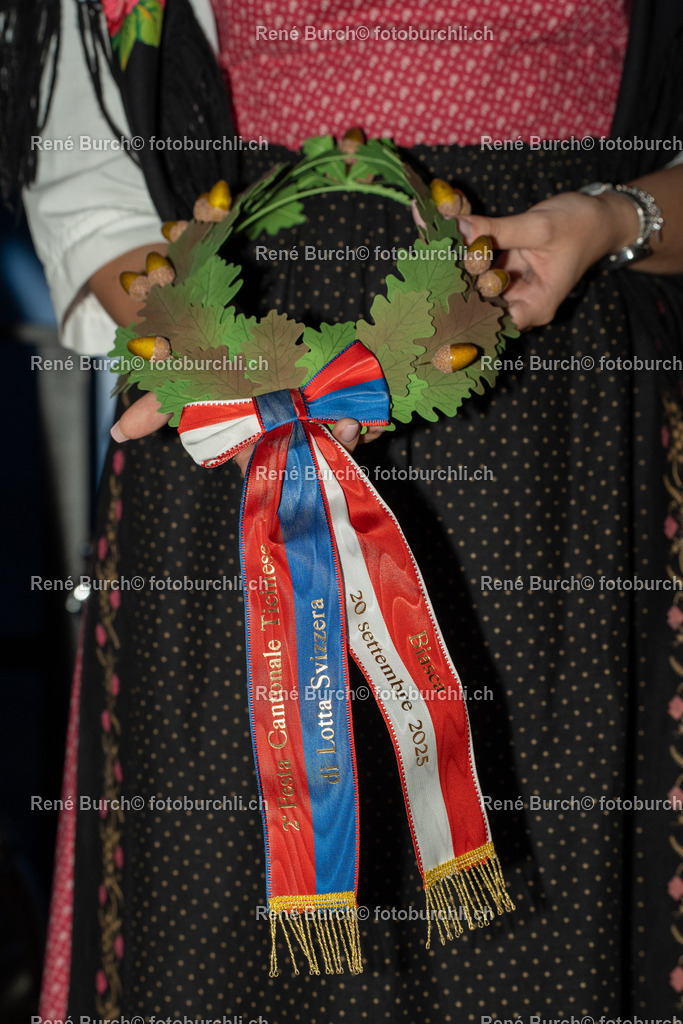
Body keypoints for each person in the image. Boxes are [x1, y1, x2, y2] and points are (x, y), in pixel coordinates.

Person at [12, 0, 683, 1019]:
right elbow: (88, 158)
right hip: (242, 406)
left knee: (545, 928)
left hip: (561, 439)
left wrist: (606, 219)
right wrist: (196, 340)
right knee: (226, 923)